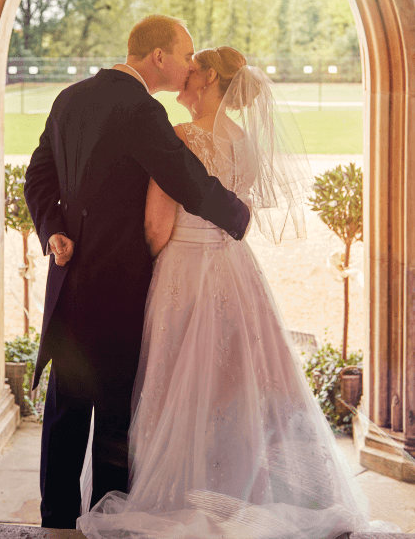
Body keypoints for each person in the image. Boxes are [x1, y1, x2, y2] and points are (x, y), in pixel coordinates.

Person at [77, 47, 395, 539]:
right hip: (234, 268)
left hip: (183, 267)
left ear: (203, 78)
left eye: (191, 68)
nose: (183, 74)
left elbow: (157, 225)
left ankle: (181, 492)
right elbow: (238, 212)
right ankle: (238, 486)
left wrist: (141, 263)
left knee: (176, 383)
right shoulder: (246, 142)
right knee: (234, 386)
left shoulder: (182, 136)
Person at [23, 18, 251, 529]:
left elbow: (37, 175)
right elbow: (183, 174)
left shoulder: (69, 97)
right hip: (120, 282)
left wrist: (52, 229)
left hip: (68, 281)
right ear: (159, 58)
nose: (193, 64)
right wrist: (236, 216)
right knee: (115, 413)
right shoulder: (141, 109)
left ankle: (56, 522)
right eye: (186, 54)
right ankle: (109, 522)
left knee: (65, 409)